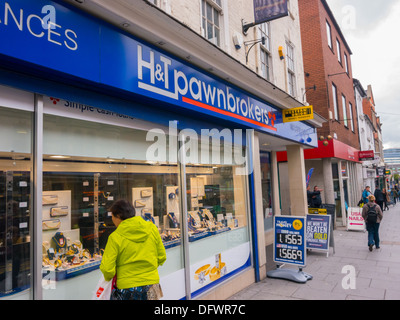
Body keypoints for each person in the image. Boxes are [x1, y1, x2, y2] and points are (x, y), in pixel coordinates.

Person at [100, 199, 167, 300]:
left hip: (126, 288)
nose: (112, 220)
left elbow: (107, 269)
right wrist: (148, 268)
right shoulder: (152, 228)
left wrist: (109, 278)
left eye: (112, 216)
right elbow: (162, 257)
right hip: (152, 284)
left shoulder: (115, 237)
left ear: (118, 216)